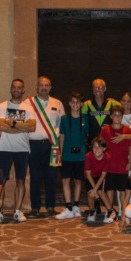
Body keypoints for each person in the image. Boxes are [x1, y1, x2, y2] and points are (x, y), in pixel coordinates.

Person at [0, 79, 36, 223]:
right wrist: (22, 126)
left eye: (19, 88)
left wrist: (11, 123)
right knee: (1, 181)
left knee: (20, 180)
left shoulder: (28, 108)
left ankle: (17, 211)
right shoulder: (2, 106)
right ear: (11, 88)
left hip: (22, 149)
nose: (16, 90)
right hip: (5, 148)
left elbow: (32, 127)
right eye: (14, 87)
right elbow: (1, 127)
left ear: (23, 90)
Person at [26, 76, 65, 217]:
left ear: (50, 87)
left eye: (47, 85)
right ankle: (35, 207)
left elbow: (61, 126)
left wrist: (61, 148)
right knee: (35, 177)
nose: (44, 88)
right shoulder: (27, 103)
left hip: (52, 145)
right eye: (41, 85)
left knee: (51, 177)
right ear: (36, 87)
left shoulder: (58, 103)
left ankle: (50, 207)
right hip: (33, 145)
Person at [55, 92, 89, 220]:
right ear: (69, 103)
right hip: (67, 154)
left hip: (81, 155)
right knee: (65, 180)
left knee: (78, 180)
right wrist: (60, 153)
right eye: (73, 102)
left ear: (81, 103)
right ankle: (68, 207)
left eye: (78, 102)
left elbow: (88, 136)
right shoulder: (64, 119)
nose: (75, 104)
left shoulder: (85, 118)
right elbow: (62, 136)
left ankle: (76, 206)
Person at [100, 104, 131, 221]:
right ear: (111, 116)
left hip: (122, 165)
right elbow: (101, 146)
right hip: (109, 166)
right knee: (109, 190)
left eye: (119, 115)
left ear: (122, 116)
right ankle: (110, 212)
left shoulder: (127, 130)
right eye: (115, 115)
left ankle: (122, 212)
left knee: (122, 191)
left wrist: (130, 161)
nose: (117, 117)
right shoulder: (105, 130)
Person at [84, 137, 116, 223]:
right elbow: (88, 174)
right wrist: (94, 190)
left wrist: (96, 190)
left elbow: (103, 175)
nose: (97, 149)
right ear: (92, 148)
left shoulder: (107, 157)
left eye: (100, 147)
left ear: (104, 148)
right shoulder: (88, 156)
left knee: (101, 192)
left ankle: (110, 211)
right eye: (95, 147)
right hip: (90, 177)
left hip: (101, 176)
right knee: (90, 194)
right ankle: (92, 211)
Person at [82, 78, 117, 144]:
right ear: (93, 90)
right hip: (92, 143)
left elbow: (127, 107)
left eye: (100, 87)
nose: (98, 89)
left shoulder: (112, 103)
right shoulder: (86, 104)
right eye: (96, 87)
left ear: (105, 89)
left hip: (109, 142)